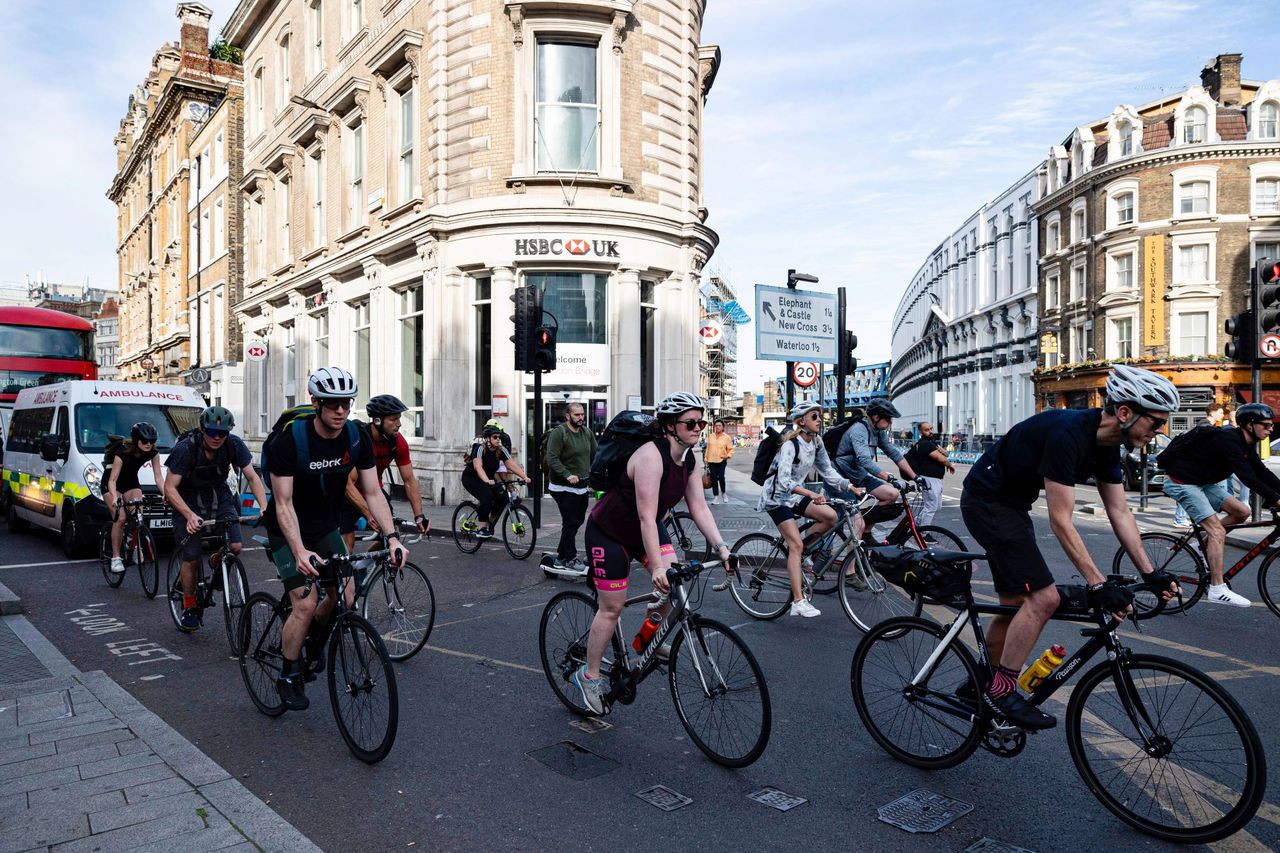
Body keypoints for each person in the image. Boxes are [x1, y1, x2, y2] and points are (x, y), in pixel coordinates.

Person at [960, 364, 1180, 731]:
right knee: (1044, 599)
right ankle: (1000, 691)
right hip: (987, 502)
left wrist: (1151, 572)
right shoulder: (1068, 434)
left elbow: (1120, 511)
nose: (1161, 431)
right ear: (1125, 413)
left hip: (1011, 506)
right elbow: (1061, 520)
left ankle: (977, 684)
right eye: (1156, 422)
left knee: (1015, 604)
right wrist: (1096, 583)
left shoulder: (1108, 444)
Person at [570, 392, 736, 714]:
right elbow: (647, 516)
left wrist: (723, 548)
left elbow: (699, 507)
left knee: (672, 585)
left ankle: (647, 641)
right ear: (671, 425)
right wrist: (656, 567)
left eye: (701, 422)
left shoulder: (690, 458)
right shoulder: (650, 456)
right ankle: (587, 676)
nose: (698, 428)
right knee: (612, 607)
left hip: (644, 530)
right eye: (691, 422)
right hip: (610, 532)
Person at [262, 367, 408, 711]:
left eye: (345, 403)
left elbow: (372, 491)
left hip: (323, 522)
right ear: (316, 402)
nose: (339, 410)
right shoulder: (291, 440)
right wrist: (299, 550)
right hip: (287, 527)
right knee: (305, 603)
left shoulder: (356, 438)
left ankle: (310, 637)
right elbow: (282, 503)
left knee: (347, 593)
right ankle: (287, 673)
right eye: (331, 404)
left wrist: (392, 537)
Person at [1159, 402, 1280, 607]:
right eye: (1266, 425)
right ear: (1250, 425)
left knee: (1242, 511)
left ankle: (1201, 544)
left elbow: (1262, 472)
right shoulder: (1228, 441)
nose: (1271, 429)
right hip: (1182, 483)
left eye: (1271, 426)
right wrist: (1277, 499)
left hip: (1202, 482)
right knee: (1217, 531)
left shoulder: (1246, 443)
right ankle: (1217, 588)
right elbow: (1247, 477)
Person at [164, 407, 267, 631]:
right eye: (212, 432)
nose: (217, 437)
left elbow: (251, 476)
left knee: (237, 545)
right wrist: (190, 516)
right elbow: (169, 488)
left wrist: (264, 506)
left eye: (223, 433)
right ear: (203, 430)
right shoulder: (185, 449)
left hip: (219, 495)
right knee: (191, 556)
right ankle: (189, 606)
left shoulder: (234, 444)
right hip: (187, 498)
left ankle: (217, 561)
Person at [757, 401, 858, 618]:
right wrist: (811, 494)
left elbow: (827, 470)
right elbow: (783, 482)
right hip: (777, 498)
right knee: (795, 544)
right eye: (815, 416)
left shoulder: (816, 443)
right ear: (802, 421)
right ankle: (798, 601)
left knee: (830, 516)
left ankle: (804, 554)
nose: (819, 420)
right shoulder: (789, 445)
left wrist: (849, 486)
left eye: (819, 416)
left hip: (795, 496)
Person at [340, 394, 429, 552]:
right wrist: (368, 513)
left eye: (399, 418)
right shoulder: (360, 440)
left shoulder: (397, 442)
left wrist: (419, 516)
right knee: (347, 546)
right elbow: (347, 485)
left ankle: (364, 568)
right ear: (377, 420)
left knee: (391, 536)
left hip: (374, 491)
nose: (399, 424)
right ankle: (348, 573)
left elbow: (409, 480)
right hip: (348, 494)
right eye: (393, 419)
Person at [834, 399, 918, 510]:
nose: (891, 422)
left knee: (892, 495)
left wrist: (916, 478)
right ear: (876, 417)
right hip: (841, 477)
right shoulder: (859, 429)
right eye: (888, 418)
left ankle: (865, 526)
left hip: (858, 476)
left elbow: (894, 454)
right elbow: (865, 461)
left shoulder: (879, 432)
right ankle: (858, 525)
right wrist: (890, 479)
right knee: (855, 519)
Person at [104, 422, 164, 574]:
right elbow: (112, 480)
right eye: (145, 441)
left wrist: (166, 494)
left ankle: (134, 544)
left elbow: (158, 478)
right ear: (136, 440)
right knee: (121, 518)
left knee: (138, 515)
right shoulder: (123, 451)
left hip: (131, 482)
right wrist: (114, 498)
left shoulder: (153, 452)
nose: (148, 444)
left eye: (152, 441)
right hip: (112, 483)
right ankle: (116, 558)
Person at [545, 402, 597, 574]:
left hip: (581, 486)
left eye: (582, 414)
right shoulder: (560, 433)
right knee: (570, 521)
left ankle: (560, 556)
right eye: (577, 415)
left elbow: (595, 454)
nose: (581, 418)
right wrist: (567, 474)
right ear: (568, 416)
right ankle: (570, 558)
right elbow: (552, 459)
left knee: (577, 521)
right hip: (562, 487)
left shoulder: (587, 432)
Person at [461, 426, 531, 539]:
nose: (498, 439)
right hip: (471, 478)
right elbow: (478, 467)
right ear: (488, 439)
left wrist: (524, 476)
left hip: (489, 480)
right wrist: (486, 480)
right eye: (495, 437)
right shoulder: (480, 449)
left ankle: (490, 524)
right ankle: (481, 528)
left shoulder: (501, 450)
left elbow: (511, 464)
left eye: (499, 437)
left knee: (503, 498)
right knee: (487, 497)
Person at [1173, 401, 1226, 527]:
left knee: (1195, 493)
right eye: (1221, 412)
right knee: (1190, 491)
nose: (1223, 415)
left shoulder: (1207, 426)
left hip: (1199, 468)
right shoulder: (1205, 426)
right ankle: (1181, 518)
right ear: (1212, 413)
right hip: (1195, 468)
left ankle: (1189, 518)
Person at [907, 422, 955, 530]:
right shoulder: (924, 444)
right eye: (927, 430)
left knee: (936, 506)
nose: (930, 431)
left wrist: (944, 453)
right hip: (929, 479)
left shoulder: (931, 442)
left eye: (931, 429)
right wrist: (950, 465)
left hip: (936, 479)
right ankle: (924, 533)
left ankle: (916, 524)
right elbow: (940, 458)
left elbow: (945, 454)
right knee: (931, 507)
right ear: (920, 432)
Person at [703, 419, 734, 504]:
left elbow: (730, 449)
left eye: (719, 425)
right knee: (713, 479)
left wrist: (727, 456)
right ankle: (715, 497)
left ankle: (723, 493)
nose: (717, 427)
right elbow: (708, 448)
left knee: (721, 477)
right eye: (716, 426)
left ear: (723, 427)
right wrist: (706, 459)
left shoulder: (726, 437)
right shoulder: (711, 436)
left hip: (721, 460)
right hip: (711, 460)